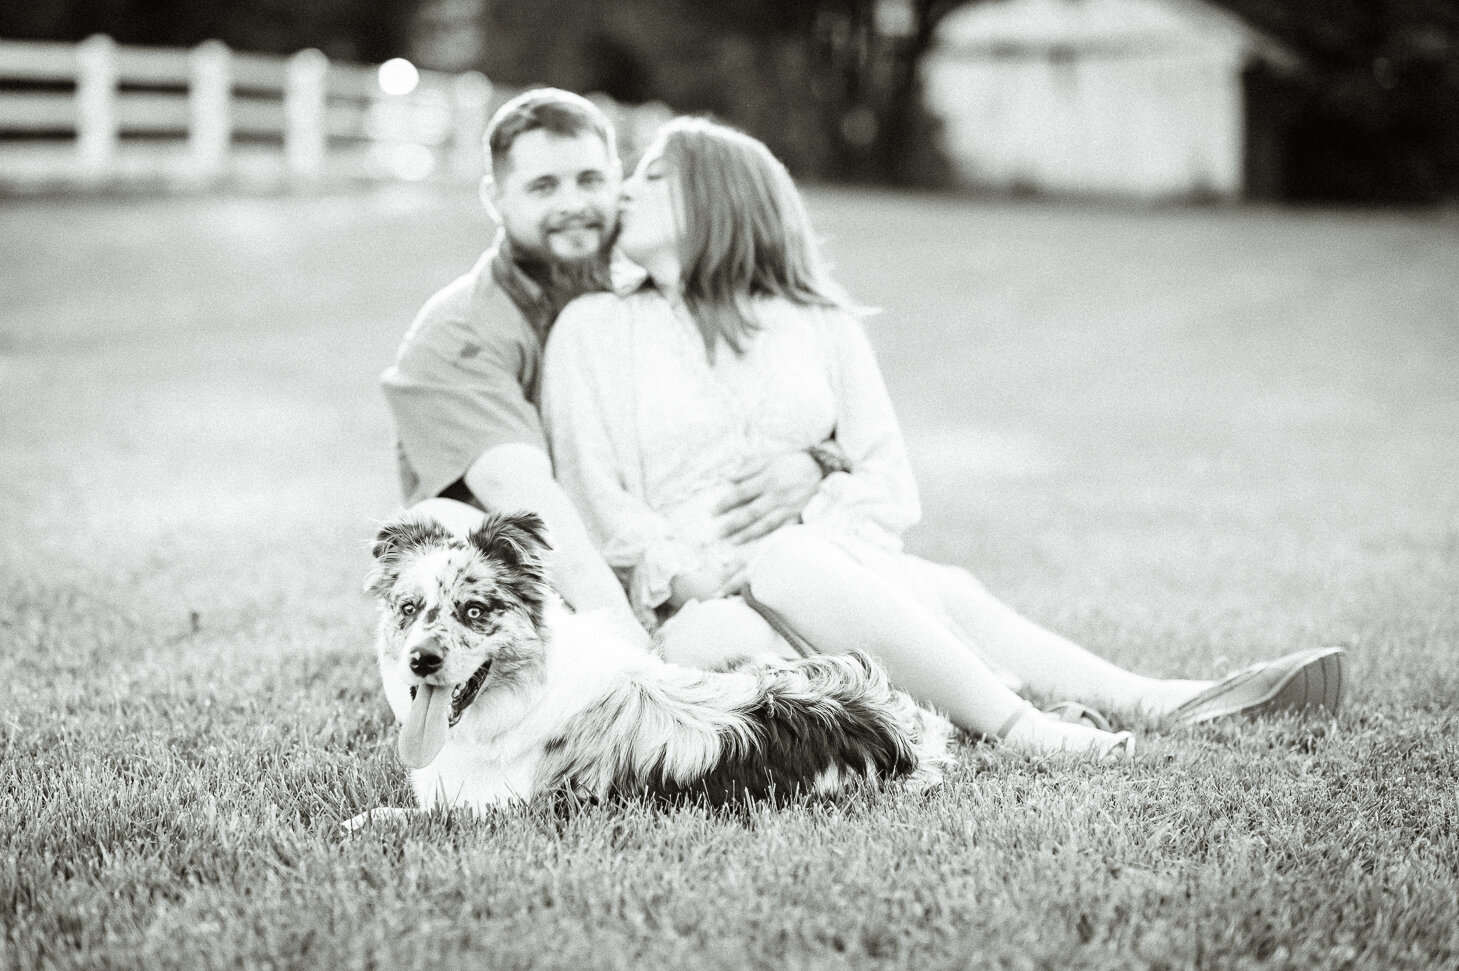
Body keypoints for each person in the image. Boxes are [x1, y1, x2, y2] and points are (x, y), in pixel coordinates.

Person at [539, 116, 1346, 758]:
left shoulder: (817, 322)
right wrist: (695, 574)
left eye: (652, 175)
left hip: (837, 573)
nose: (623, 192)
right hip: (694, 612)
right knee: (772, 608)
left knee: (918, 581)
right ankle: (1021, 721)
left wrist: (818, 512)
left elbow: (887, 479)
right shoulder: (593, 330)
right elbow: (592, 496)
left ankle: (1147, 696)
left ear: (716, 198)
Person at [380, 89, 828, 650]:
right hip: (536, 587)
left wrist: (817, 460)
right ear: (496, 197)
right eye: (543, 186)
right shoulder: (459, 332)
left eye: (590, 180)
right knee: (443, 519)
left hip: (680, 565)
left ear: (618, 179)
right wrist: (628, 648)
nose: (574, 204)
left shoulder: (649, 291)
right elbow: (527, 499)